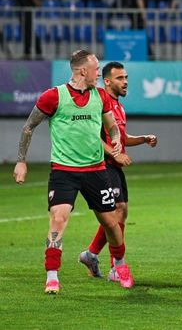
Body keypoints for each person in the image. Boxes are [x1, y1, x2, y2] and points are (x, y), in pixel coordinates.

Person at [13, 50, 134, 294]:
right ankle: (52, 276)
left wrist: (115, 139)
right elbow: (28, 127)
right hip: (64, 171)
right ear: (83, 70)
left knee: (111, 222)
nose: (98, 73)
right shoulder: (53, 96)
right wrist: (21, 161)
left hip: (96, 170)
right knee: (58, 218)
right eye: (96, 69)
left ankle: (120, 264)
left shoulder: (101, 96)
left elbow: (111, 125)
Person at [78, 62, 157, 282]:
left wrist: (143, 139)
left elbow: (121, 138)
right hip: (102, 164)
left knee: (120, 213)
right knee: (117, 211)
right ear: (107, 81)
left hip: (114, 165)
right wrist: (114, 154)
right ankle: (115, 266)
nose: (125, 82)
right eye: (120, 78)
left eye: (126, 77)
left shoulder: (118, 107)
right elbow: (91, 134)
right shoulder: (98, 102)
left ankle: (92, 254)